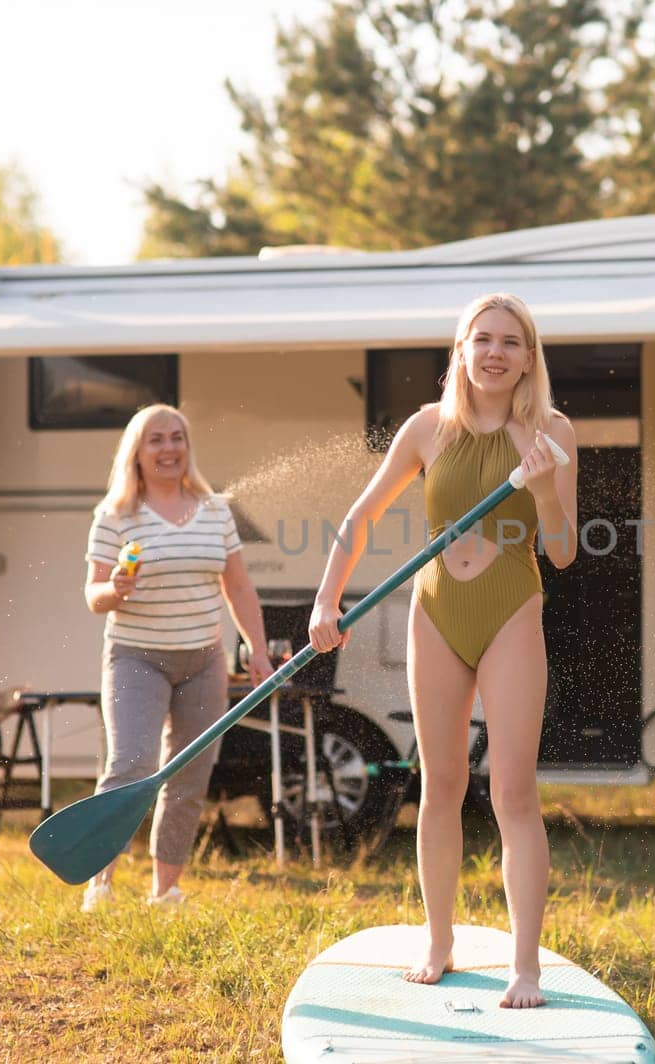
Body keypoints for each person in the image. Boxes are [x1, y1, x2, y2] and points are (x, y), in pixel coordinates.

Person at [308, 293, 577, 1008]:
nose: (495, 352)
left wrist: (547, 489)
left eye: (511, 342)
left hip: (511, 613)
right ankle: (440, 941)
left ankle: (525, 967)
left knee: (513, 792)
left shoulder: (550, 432)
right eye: (482, 339)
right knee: (441, 786)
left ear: (528, 357)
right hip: (435, 614)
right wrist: (325, 601)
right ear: (461, 350)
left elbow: (562, 552)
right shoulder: (429, 428)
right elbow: (361, 516)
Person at [81, 403, 273, 911]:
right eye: (156, 440)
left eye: (177, 438)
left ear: (188, 446)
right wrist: (115, 589)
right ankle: (100, 882)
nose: (168, 449)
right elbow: (93, 596)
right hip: (136, 656)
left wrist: (255, 647)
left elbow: (238, 585)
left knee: (190, 774)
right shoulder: (116, 515)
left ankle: (164, 891)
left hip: (203, 659)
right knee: (132, 765)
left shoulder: (214, 510)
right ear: (137, 453)